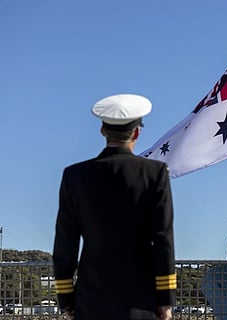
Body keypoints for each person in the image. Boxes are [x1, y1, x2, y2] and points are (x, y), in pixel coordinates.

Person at [53, 94, 176, 320]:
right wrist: (165, 300)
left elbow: (65, 243)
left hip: (91, 301)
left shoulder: (75, 176)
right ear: (137, 132)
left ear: (103, 131)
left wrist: (67, 300)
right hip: (141, 300)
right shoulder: (155, 173)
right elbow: (163, 240)